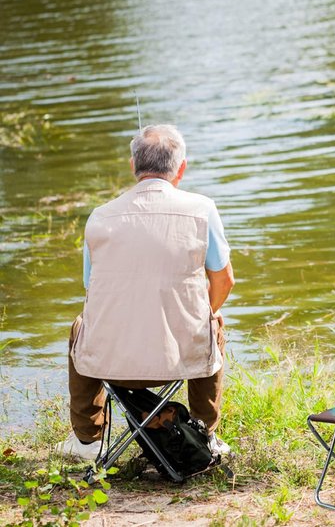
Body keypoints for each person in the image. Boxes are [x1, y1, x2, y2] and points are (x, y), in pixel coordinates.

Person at [56, 124, 235, 461]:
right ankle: (204, 433)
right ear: (181, 168)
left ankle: (87, 440)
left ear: (132, 166)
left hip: (111, 363)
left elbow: (92, 290)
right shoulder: (202, 210)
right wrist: (203, 313)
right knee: (213, 321)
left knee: (81, 325)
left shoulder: (99, 217)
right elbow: (224, 281)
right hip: (181, 359)